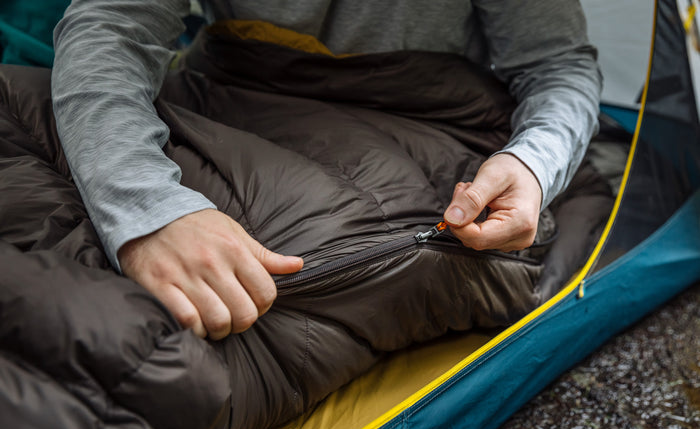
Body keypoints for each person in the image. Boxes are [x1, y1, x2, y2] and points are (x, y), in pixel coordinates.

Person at [51, 0, 602, 340]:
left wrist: (532, 166)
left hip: (420, 116)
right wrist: (147, 207)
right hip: (230, 87)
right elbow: (111, 28)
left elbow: (556, 64)